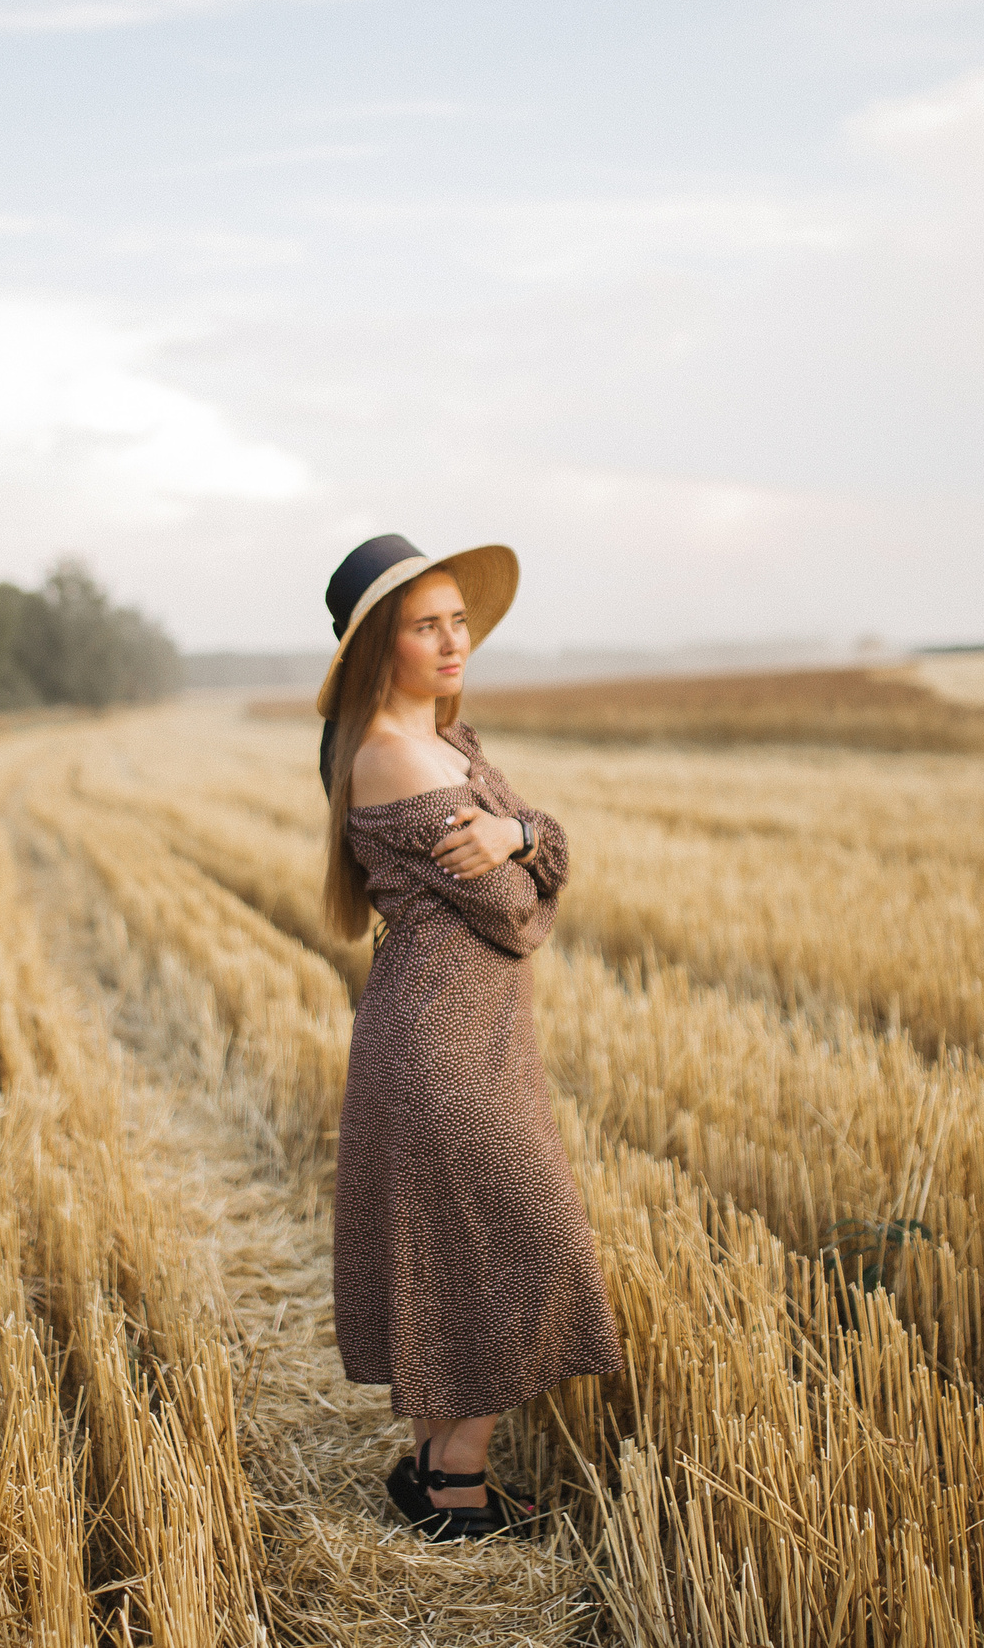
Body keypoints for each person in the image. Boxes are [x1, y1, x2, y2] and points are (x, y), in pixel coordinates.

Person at [313, 533, 624, 1543]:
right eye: (425, 626)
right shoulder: (399, 757)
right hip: (440, 1042)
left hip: (468, 1030)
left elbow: (540, 846)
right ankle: (457, 1481)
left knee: (455, 1247)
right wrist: (526, 844)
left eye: (459, 622)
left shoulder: (452, 743)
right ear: (378, 646)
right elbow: (519, 915)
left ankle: (431, 1474)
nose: (454, 642)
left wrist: (523, 836)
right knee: (535, 1244)